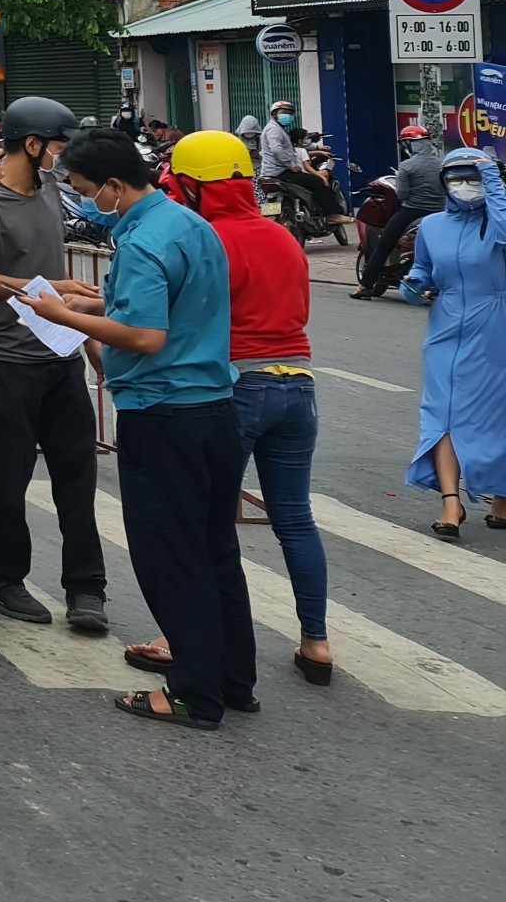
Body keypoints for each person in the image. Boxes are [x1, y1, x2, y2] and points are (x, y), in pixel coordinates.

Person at [15, 130, 254, 729]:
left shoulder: (143, 242)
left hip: (164, 413)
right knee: (215, 549)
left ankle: (194, 693)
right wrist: (101, 306)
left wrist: (63, 314)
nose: (86, 202)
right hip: (215, 408)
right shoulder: (190, 225)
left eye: (88, 191)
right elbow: (174, 308)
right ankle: (231, 679)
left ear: (116, 186)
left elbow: (148, 338)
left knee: (171, 555)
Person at [124, 130, 334, 687]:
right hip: (298, 385)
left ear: (193, 187)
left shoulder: (203, 239)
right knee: (294, 518)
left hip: (233, 389)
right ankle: (316, 641)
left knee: (203, 527)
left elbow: (176, 321)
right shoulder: (283, 236)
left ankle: (184, 642)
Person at [0, 94, 109, 634]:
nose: (62, 159)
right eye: (58, 148)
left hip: (59, 353)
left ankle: (87, 588)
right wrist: (46, 289)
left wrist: (83, 330)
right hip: (4, 361)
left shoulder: (52, 192)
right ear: (32, 143)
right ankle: (4, 579)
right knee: (9, 477)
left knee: (77, 473)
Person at [403, 147, 506, 540]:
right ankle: (450, 502)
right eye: (457, 179)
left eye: (474, 178)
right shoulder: (431, 225)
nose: (465, 186)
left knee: (496, 412)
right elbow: (423, 268)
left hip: (496, 321)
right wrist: (414, 285)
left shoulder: (496, 220)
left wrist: (494, 180)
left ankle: (501, 497)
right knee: (441, 411)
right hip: (445, 325)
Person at [358, 123, 441, 299]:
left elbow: (402, 194)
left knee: (383, 246)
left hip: (412, 211)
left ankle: (364, 286)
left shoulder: (407, 166)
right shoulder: (442, 164)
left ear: (408, 145)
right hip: (441, 211)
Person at [258, 101, 343, 232]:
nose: (288, 116)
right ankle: (332, 215)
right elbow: (277, 150)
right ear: (275, 114)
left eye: (290, 113)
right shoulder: (273, 130)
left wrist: (317, 147)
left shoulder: (278, 130)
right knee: (318, 181)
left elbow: (293, 146)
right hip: (281, 172)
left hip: (271, 173)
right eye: (284, 113)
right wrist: (291, 165)